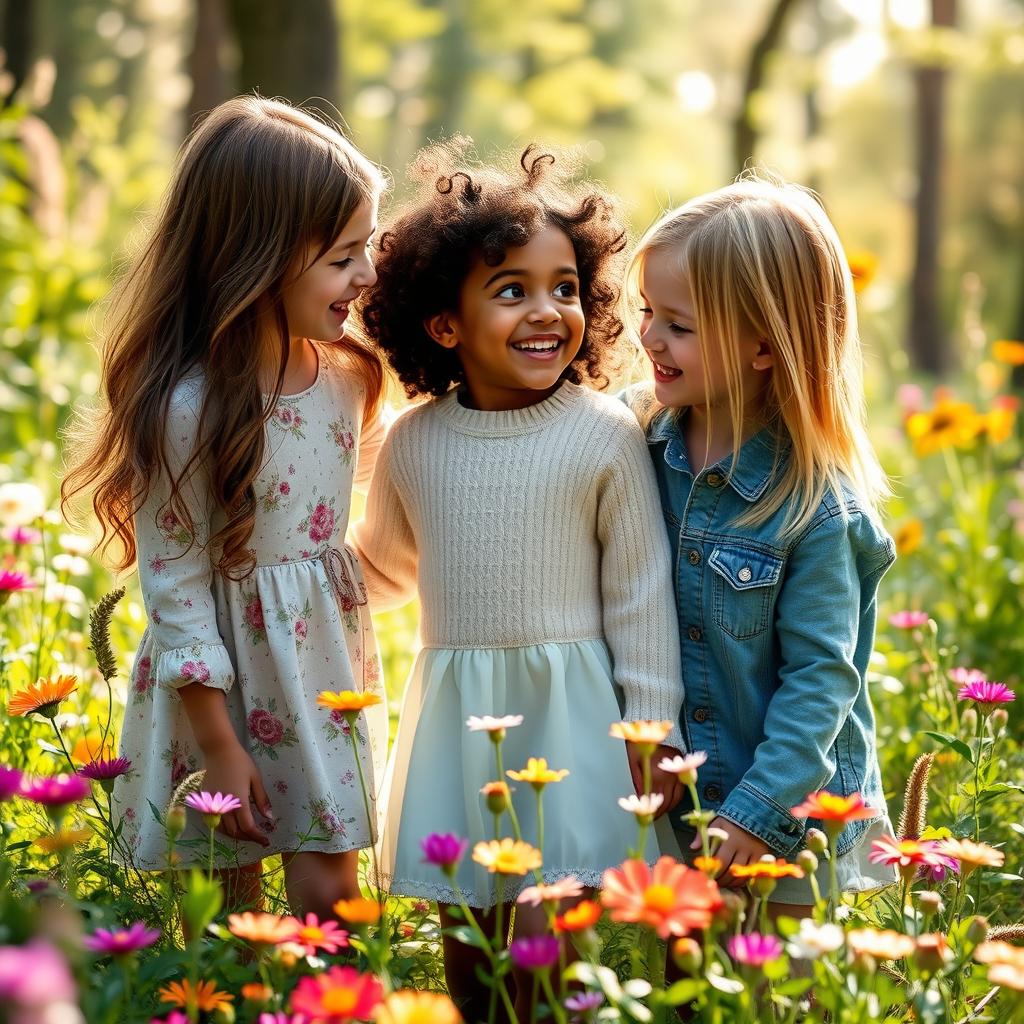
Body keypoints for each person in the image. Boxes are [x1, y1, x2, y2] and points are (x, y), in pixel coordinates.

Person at [352, 140, 685, 1019]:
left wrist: (650, 735)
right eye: (513, 290)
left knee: (549, 936)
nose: (548, 310)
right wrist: (292, 583)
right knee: (467, 933)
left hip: (570, 719)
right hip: (460, 720)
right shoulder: (415, 443)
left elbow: (640, 595)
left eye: (565, 288)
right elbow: (383, 567)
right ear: (444, 324)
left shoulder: (603, 433)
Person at [62, 96, 389, 918]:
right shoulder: (190, 407)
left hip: (318, 676)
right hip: (217, 689)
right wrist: (219, 746)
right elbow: (175, 587)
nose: (367, 274)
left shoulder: (347, 380)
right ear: (260, 256)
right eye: (344, 256)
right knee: (222, 906)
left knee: (331, 892)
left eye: (368, 249)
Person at [626, 173, 899, 918]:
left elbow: (822, 681)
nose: (649, 336)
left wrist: (758, 808)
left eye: (678, 325)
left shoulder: (814, 506)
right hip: (679, 808)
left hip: (785, 820)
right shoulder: (637, 444)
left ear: (762, 346)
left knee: (774, 988)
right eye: (648, 312)